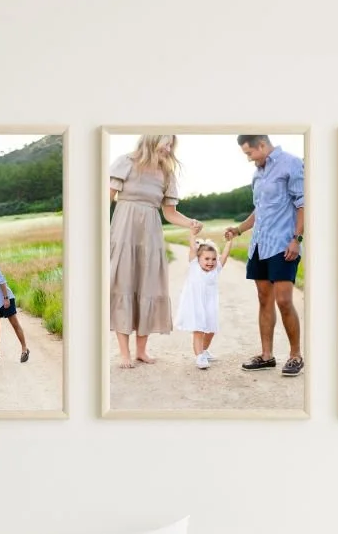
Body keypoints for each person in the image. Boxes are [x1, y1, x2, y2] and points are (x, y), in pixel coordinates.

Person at [109, 135, 203, 369]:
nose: (169, 149)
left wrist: (190, 222)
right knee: (124, 286)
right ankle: (124, 353)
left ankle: (141, 351)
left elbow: (170, 213)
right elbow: (105, 200)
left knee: (148, 287)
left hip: (151, 234)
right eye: (166, 143)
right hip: (123, 232)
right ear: (151, 140)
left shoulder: (166, 174)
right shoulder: (125, 162)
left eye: (171, 145)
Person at [225, 135, 304, 377]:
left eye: (249, 153)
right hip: (260, 245)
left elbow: (303, 204)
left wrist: (297, 239)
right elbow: (259, 210)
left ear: (262, 144)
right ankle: (267, 356)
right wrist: (239, 229)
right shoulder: (257, 174)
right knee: (263, 299)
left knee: (284, 300)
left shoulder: (291, 163)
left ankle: (295, 355)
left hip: (283, 245)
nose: (249, 158)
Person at [175, 228, 232, 370]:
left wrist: (229, 242)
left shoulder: (216, 270)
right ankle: (199, 356)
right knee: (199, 330)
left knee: (211, 330)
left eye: (213, 259)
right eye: (206, 259)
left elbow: (224, 256)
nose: (210, 262)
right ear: (198, 258)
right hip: (196, 305)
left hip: (209, 306)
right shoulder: (194, 266)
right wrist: (192, 234)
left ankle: (204, 351)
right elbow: (192, 248)